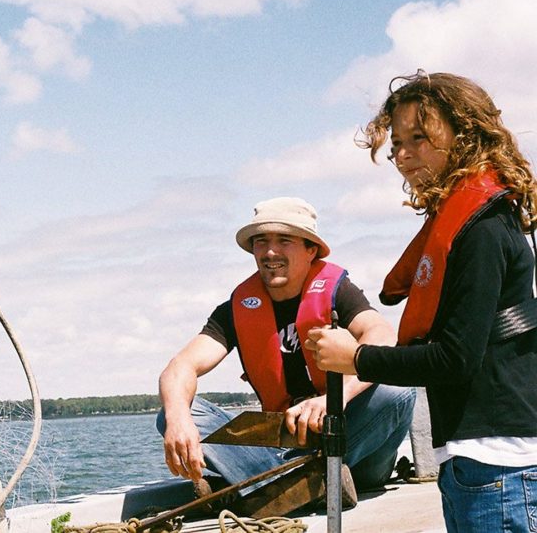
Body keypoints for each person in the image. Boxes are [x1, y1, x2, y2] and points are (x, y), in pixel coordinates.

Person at [308, 71, 537, 532]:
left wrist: (356, 359)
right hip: (476, 465)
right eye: (397, 143)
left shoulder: (484, 229)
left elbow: (455, 359)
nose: (404, 155)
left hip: (500, 468)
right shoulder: (467, 222)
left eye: (419, 138)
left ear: (465, 135)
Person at [157, 197, 415, 505]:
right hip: (282, 442)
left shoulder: (338, 292)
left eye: (284, 240)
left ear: (311, 250)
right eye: (261, 241)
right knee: (176, 411)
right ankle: (297, 486)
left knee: (397, 390)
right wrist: (178, 418)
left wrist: (335, 399)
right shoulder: (235, 309)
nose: (270, 252)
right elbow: (179, 366)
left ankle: (257, 487)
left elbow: (382, 336)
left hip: (347, 442)